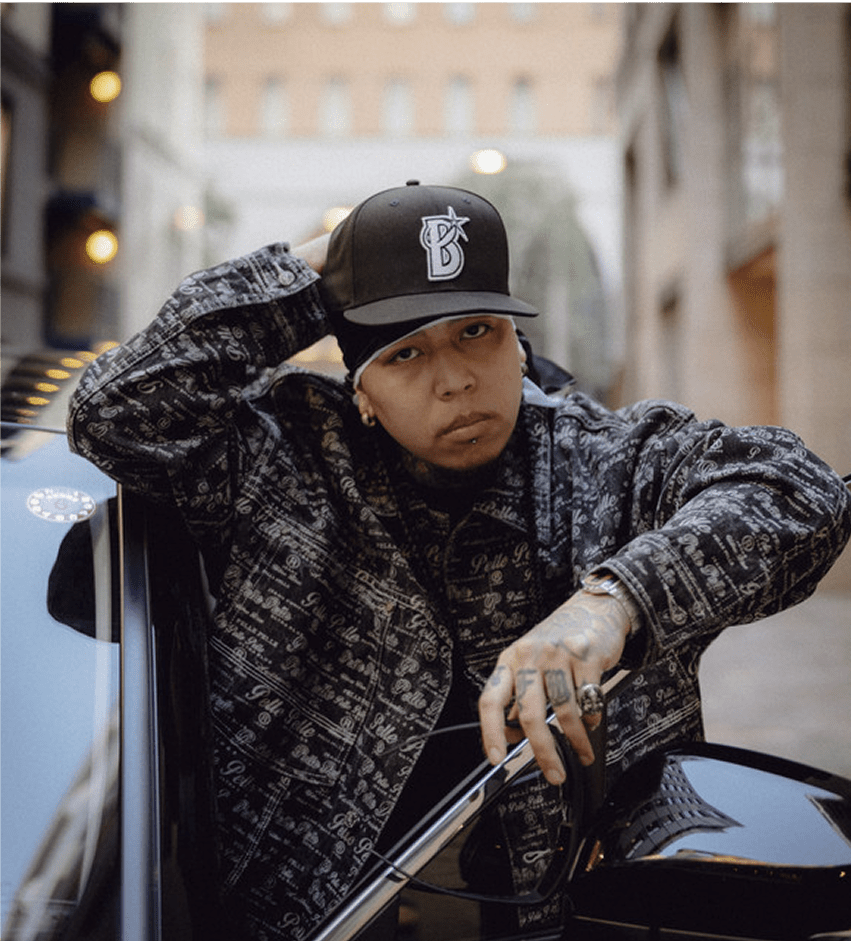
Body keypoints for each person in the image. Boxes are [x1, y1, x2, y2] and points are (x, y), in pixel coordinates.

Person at [67, 181, 850, 939]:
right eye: (405, 352)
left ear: (519, 338)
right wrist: (325, 270)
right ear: (360, 388)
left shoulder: (607, 463)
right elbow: (116, 410)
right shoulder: (286, 462)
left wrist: (612, 602)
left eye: (478, 330)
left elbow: (802, 490)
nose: (455, 381)